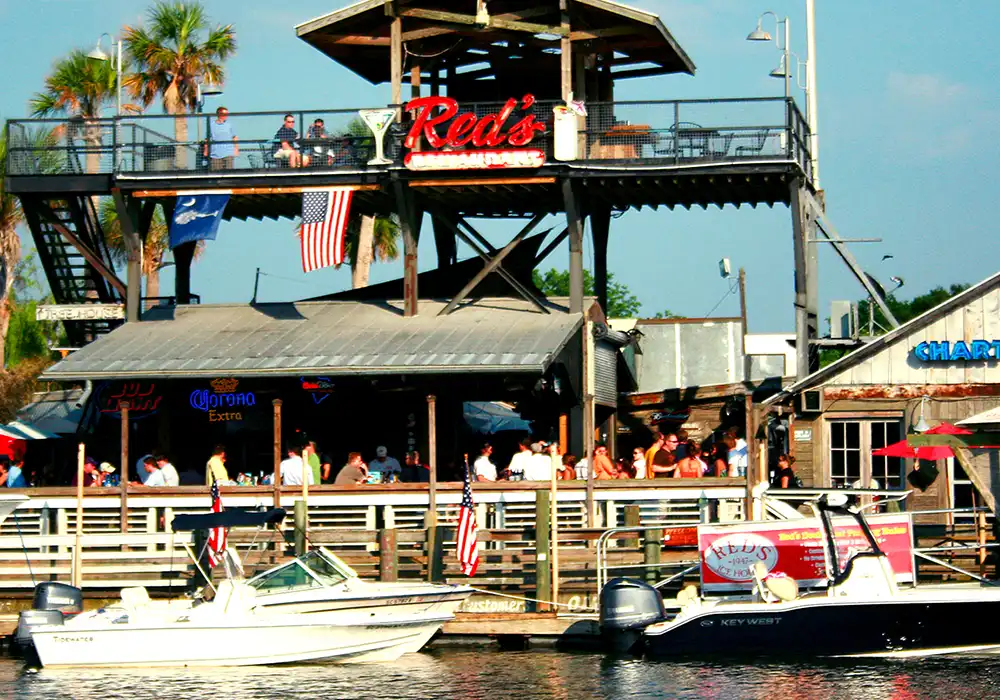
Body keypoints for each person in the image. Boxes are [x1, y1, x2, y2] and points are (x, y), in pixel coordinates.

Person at [205, 106, 238, 170]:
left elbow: (235, 137)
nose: (226, 116)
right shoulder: (211, 125)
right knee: (216, 175)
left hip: (228, 153)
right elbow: (207, 139)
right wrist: (206, 150)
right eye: (225, 114)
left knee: (229, 174)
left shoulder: (229, 125)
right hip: (215, 154)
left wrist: (236, 149)